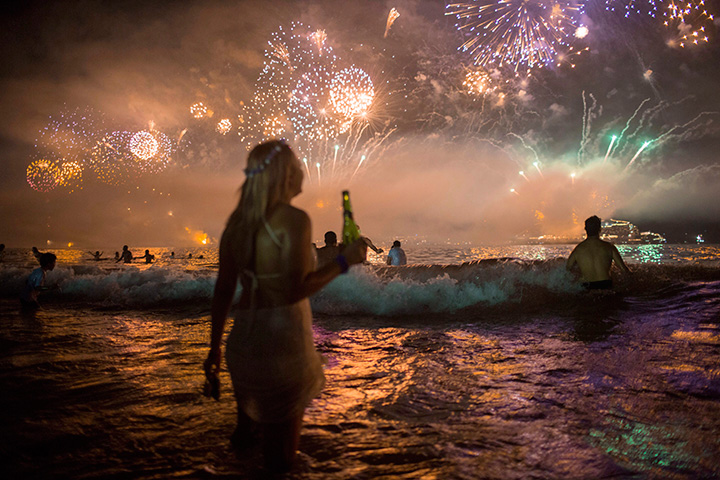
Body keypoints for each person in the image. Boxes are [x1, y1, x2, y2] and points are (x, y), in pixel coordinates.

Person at [205, 140, 366, 473]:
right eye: (296, 165)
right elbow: (294, 290)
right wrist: (343, 261)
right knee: (282, 461)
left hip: (242, 343)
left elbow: (223, 291)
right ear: (284, 174)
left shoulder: (236, 226)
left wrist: (214, 349)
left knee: (246, 438)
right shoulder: (293, 219)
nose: (303, 171)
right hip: (281, 343)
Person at [566, 215, 631, 290]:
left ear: (585, 229)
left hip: (586, 286)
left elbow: (567, 269)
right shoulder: (609, 247)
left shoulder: (578, 249)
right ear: (600, 229)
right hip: (606, 285)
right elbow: (624, 270)